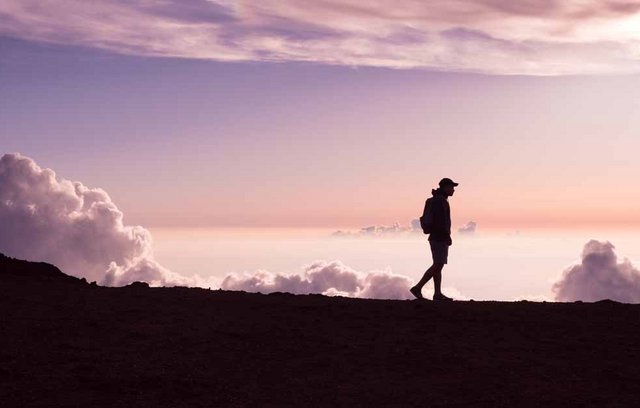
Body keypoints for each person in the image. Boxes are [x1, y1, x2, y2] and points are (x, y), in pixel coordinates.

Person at [410, 178, 458, 301]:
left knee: (438, 264)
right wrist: (447, 236)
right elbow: (441, 221)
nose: (453, 190)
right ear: (445, 187)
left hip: (435, 236)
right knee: (438, 264)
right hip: (439, 237)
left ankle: (437, 294)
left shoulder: (437, 200)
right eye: (452, 187)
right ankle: (418, 287)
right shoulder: (440, 201)